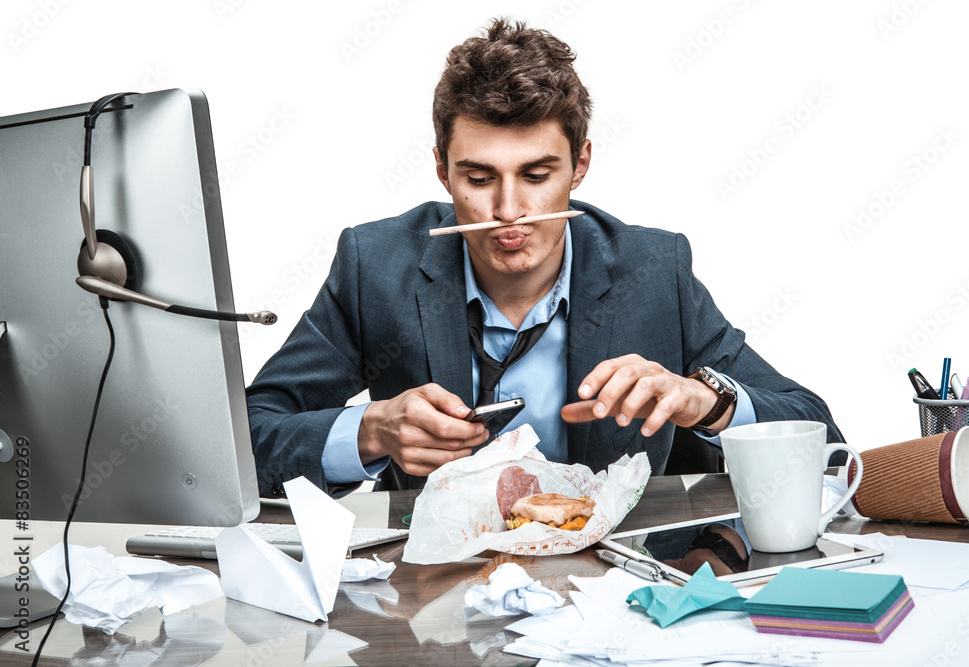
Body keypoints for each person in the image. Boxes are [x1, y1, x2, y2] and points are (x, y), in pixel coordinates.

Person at [246, 18, 844, 498]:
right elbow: (246, 434)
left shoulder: (654, 269)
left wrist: (705, 401)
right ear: (439, 169)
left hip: (614, 595)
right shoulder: (374, 265)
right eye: (478, 177)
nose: (509, 210)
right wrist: (368, 431)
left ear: (580, 164)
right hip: (439, 605)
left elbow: (822, 437)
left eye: (537, 174)